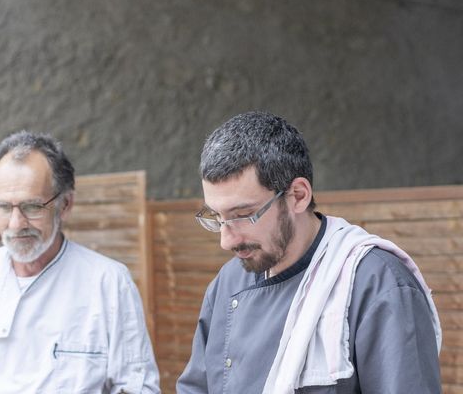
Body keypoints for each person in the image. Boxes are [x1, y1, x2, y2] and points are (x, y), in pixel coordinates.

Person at [176, 111, 442, 394]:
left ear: (298, 195)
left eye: (243, 215)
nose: (226, 241)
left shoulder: (378, 285)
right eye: (217, 217)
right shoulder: (228, 282)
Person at [0, 131, 160, 394]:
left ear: (65, 204)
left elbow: (136, 386)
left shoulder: (109, 283)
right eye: (5, 207)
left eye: (32, 207)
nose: (16, 224)